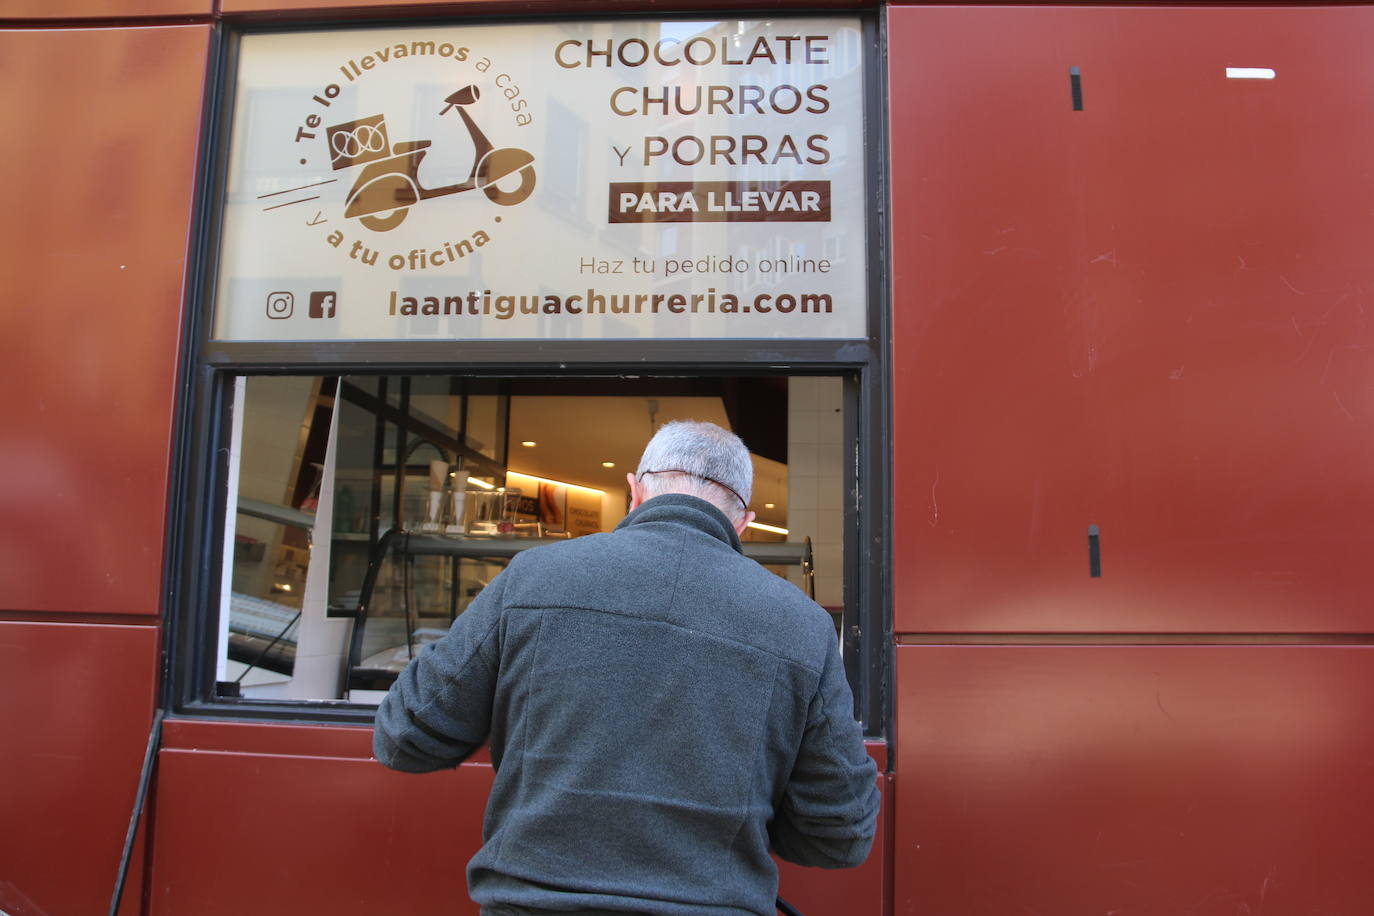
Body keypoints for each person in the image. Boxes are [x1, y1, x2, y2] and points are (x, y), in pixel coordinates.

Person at [373, 420, 880, 915]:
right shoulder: (803, 625)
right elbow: (841, 834)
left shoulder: (534, 577)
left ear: (634, 491)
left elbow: (405, 736)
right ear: (742, 523)